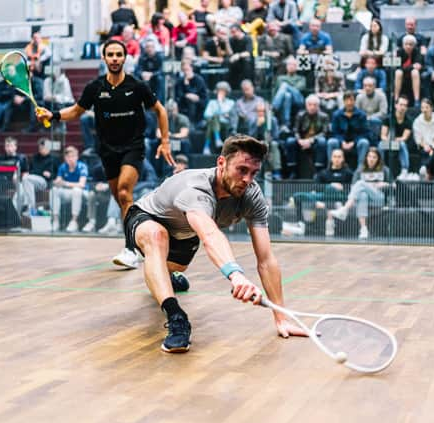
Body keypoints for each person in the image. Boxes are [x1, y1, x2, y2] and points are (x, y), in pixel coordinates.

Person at [124, 134, 308, 352]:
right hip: (146, 218)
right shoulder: (196, 188)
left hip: (186, 232)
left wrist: (281, 316)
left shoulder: (252, 195)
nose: (247, 179)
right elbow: (210, 235)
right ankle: (176, 317)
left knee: (170, 269)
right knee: (157, 238)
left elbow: (266, 259)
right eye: (241, 170)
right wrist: (236, 275)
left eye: (253, 173)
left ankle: (169, 277)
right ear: (221, 163)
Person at [36, 39, 173, 268]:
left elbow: (160, 110)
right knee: (122, 202)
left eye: (119, 54)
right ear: (104, 58)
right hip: (108, 150)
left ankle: (130, 249)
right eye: (111, 54)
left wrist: (165, 141)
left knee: (123, 192)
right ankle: (140, 232)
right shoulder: (95, 88)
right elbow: (77, 111)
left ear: (125, 58)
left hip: (133, 147)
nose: (115, 58)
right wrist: (54, 115)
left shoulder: (137, 86)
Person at [327, 147, 392, 240]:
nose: (371, 159)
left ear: (378, 159)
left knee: (361, 183)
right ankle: (363, 229)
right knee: (362, 195)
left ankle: (344, 209)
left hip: (379, 198)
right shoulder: (360, 169)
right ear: (366, 158)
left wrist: (385, 184)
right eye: (369, 156)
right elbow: (353, 187)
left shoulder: (384, 169)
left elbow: (394, 185)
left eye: (374, 157)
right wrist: (368, 186)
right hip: (366, 200)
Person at [285, 94, 330, 178]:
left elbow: (325, 132)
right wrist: (299, 140)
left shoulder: (324, 116)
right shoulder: (300, 115)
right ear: (306, 106)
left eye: (314, 105)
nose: (312, 107)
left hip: (315, 141)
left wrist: (311, 140)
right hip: (302, 141)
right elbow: (295, 130)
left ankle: (318, 171)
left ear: (318, 106)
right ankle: (292, 170)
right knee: (290, 141)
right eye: (310, 105)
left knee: (322, 142)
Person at [327, 91, 372, 172]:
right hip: (341, 142)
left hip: (356, 142)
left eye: (351, 100)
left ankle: (360, 169)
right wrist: (342, 142)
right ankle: (331, 167)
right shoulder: (336, 114)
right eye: (347, 100)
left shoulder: (361, 115)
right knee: (331, 142)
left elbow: (365, 133)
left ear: (355, 101)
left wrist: (353, 142)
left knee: (364, 142)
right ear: (343, 101)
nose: (349, 103)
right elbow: (334, 132)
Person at [20, 138, 60, 215]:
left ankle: (31, 207)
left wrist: (50, 175)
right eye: (40, 147)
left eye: (44, 147)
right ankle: (24, 211)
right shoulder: (35, 157)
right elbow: (31, 171)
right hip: (32, 180)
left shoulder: (55, 158)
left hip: (45, 182)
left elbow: (57, 175)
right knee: (23, 184)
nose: (42, 149)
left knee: (25, 179)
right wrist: (42, 172)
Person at [248, 102, 283, 180]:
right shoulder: (253, 121)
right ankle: (256, 173)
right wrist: (257, 126)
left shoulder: (272, 120)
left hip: (270, 142)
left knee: (274, 145)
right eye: (259, 111)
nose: (261, 113)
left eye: (263, 111)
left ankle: (276, 172)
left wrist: (270, 140)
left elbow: (276, 135)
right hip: (257, 143)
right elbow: (250, 137)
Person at [413, 98, 434, 181]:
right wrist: (425, 146)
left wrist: (432, 147)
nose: (424, 110)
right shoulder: (417, 121)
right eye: (422, 108)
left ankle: (424, 166)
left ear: (431, 108)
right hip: (424, 146)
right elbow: (418, 139)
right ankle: (427, 175)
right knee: (425, 153)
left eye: (426, 107)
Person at [381, 96, 413, 181]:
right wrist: (387, 140)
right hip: (388, 142)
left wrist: (396, 140)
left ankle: (404, 170)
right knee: (380, 145)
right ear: (396, 105)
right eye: (401, 105)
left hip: (399, 144)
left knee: (402, 144)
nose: (403, 107)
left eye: (405, 105)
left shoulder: (408, 121)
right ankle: (380, 167)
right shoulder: (388, 118)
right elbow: (383, 135)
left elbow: (404, 137)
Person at [203, 81, 238, 155]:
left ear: (227, 91)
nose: (221, 93)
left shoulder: (231, 102)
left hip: (226, 123)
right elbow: (206, 114)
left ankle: (207, 146)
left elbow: (231, 115)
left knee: (212, 120)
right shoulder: (212, 102)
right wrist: (220, 112)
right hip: (214, 122)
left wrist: (220, 104)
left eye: (223, 91)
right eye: (219, 90)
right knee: (213, 120)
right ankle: (217, 140)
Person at [271, 56, 306, 129]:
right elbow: (276, 91)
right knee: (287, 95)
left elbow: (298, 88)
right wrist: (289, 86)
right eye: (289, 64)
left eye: (293, 65)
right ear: (286, 66)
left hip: (298, 100)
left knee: (285, 86)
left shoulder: (301, 78)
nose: (291, 67)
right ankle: (286, 123)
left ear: (297, 67)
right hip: (286, 100)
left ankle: (274, 107)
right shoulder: (280, 78)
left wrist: (286, 85)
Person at [174, 59, 208, 126]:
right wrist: (187, 94)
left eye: (187, 69)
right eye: (184, 70)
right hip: (184, 101)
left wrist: (187, 86)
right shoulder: (180, 81)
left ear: (192, 68)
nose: (185, 72)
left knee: (192, 100)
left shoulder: (199, 79)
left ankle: (193, 123)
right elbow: (179, 94)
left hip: (200, 101)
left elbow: (196, 93)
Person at [394, 35, 423, 107]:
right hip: (401, 74)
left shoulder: (417, 51)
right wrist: (412, 66)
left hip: (412, 75)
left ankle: (417, 100)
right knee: (398, 72)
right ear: (403, 45)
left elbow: (418, 65)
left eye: (410, 44)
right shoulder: (399, 52)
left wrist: (407, 68)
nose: (408, 46)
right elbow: (398, 67)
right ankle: (396, 99)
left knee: (415, 72)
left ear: (414, 45)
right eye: (406, 44)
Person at [356, 76, 388, 142]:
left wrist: (370, 117)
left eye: (370, 86)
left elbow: (383, 112)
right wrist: (365, 118)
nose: (367, 88)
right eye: (365, 86)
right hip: (363, 121)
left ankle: (374, 142)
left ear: (374, 86)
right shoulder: (359, 97)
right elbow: (357, 112)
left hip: (377, 121)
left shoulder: (381, 95)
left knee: (374, 121)